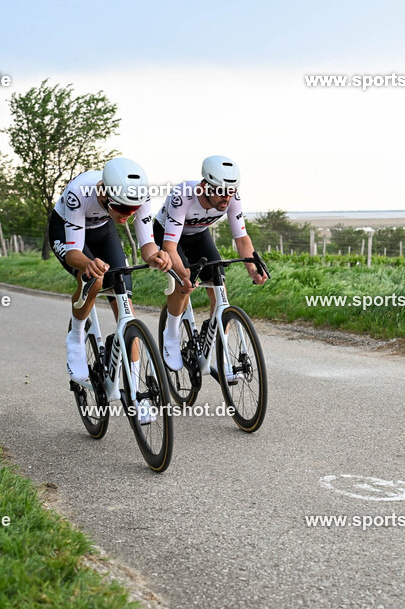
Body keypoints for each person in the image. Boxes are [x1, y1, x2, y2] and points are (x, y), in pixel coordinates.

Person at [48, 157, 171, 423]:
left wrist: (155, 256)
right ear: (103, 192)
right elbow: (73, 252)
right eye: (122, 209)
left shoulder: (137, 195)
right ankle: (76, 338)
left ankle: (135, 394)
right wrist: (89, 263)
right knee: (93, 279)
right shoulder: (79, 193)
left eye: (133, 210)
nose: (127, 217)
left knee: (123, 294)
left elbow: (147, 245)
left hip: (102, 229)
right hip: (68, 231)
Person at [154, 156, 267, 377]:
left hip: (197, 235)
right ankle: (172, 334)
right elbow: (169, 245)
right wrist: (184, 274)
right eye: (222, 191)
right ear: (205, 186)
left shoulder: (232, 197)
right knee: (184, 284)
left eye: (232, 191)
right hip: (168, 236)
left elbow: (242, 239)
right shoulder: (183, 196)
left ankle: (221, 358)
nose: (227, 197)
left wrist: (252, 268)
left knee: (219, 289)